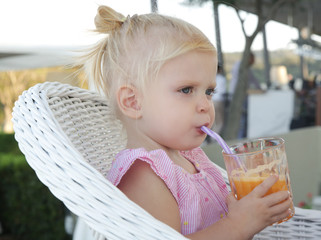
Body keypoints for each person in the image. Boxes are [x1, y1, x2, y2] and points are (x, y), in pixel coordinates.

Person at [77, 6, 291, 240]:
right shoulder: (143, 175)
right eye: (186, 90)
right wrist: (237, 225)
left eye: (209, 91)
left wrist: (250, 212)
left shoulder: (191, 157)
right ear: (133, 102)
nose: (205, 105)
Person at [211, 65, 227, 135]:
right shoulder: (222, 79)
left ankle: (212, 137)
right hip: (219, 100)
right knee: (220, 122)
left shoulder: (211, 79)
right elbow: (223, 91)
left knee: (214, 122)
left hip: (211, 100)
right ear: (220, 70)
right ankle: (214, 138)